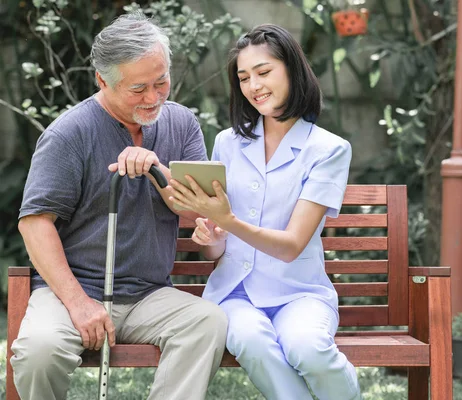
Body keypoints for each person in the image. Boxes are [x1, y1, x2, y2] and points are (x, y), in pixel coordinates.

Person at [11, 13, 228, 400]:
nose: (153, 97)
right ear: (102, 81)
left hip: (148, 294)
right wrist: (79, 304)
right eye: (138, 88)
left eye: (161, 82)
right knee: (38, 351)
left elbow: (201, 214)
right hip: (71, 292)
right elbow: (34, 224)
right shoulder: (68, 134)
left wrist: (159, 172)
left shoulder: (181, 124)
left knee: (206, 321)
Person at [168, 24, 362, 400]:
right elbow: (216, 248)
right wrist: (213, 237)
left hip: (299, 293)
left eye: (264, 72)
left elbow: (291, 246)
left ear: (291, 69)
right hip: (234, 296)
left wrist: (228, 221)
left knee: (308, 349)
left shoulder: (329, 150)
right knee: (252, 342)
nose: (253, 86)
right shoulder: (227, 142)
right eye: (243, 77)